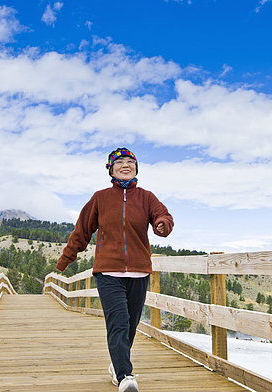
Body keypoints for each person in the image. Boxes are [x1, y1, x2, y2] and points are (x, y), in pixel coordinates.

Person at [56, 147, 174, 392]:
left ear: (136, 168)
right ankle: (125, 376)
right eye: (119, 162)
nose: (125, 165)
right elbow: (82, 232)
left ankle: (117, 363)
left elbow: (162, 215)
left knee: (130, 324)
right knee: (118, 323)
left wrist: (162, 224)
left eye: (130, 162)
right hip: (108, 272)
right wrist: (65, 260)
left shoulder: (146, 197)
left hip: (139, 272)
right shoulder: (100, 198)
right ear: (110, 169)